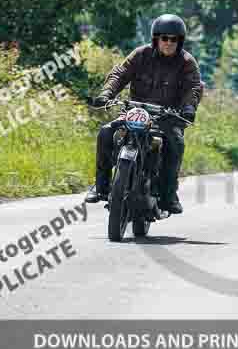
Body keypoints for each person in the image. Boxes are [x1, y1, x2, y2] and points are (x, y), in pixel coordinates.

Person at [85, 14, 203, 215]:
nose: (168, 43)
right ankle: (101, 185)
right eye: (164, 38)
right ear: (156, 38)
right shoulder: (140, 54)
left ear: (180, 41)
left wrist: (189, 108)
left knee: (176, 144)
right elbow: (119, 74)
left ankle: (168, 195)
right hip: (135, 112)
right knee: (105, 132)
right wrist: (106, 94)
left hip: (167, 117)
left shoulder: (186, 62)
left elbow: (193, 88)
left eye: (173, 39)